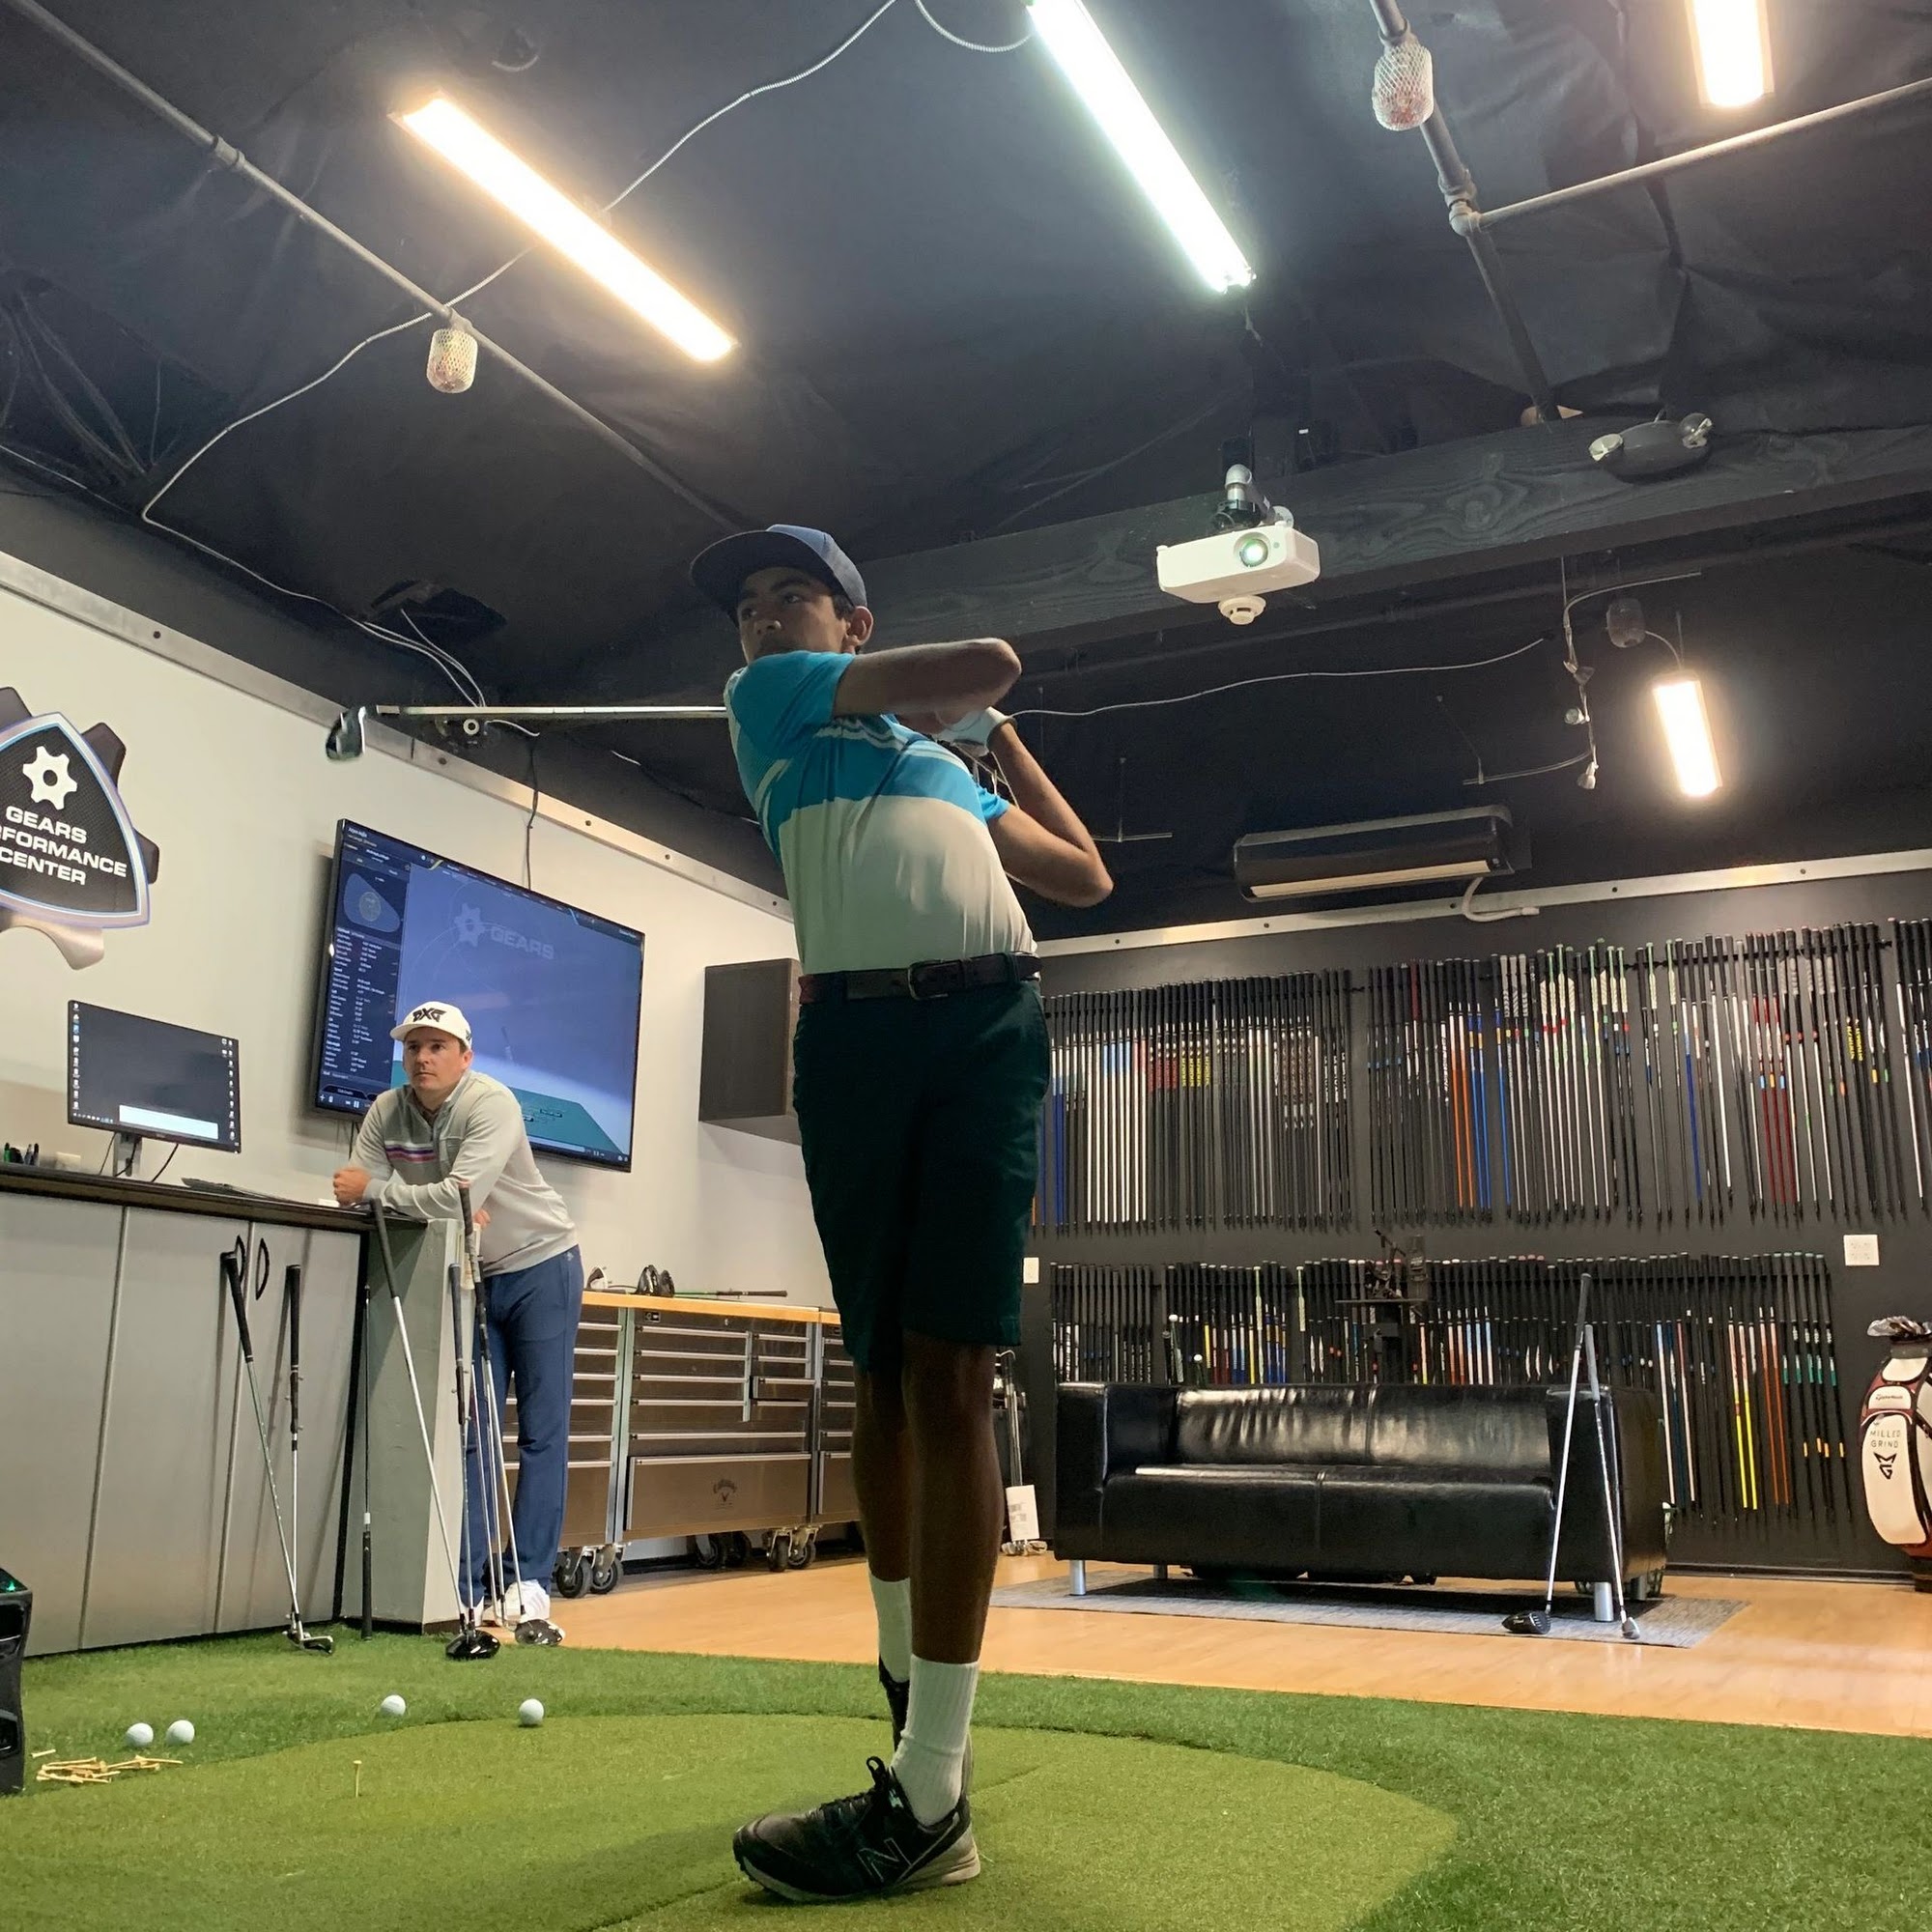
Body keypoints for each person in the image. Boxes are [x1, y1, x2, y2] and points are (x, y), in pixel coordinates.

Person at [689, 524, 1112, 1902]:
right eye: (749, 605)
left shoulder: (938, 768)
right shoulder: (769, 704)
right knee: (880, 1371)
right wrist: (977, 702)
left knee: (954, 1375)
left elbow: (1082, 874)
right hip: (856, 1039)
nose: (763, 619)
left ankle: (930, 1795)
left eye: (793, 597)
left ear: (855, 624)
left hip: (988, 1026)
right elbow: (988, 657)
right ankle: (906, 1690)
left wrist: (999, 749)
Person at [332, 999, 583, 1632]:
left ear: (465, 1056)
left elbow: (433, 1195)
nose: (423, 1057)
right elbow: (353, 1197)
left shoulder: (490, 1103)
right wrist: (429, 1202)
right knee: (472, 1431)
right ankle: (470, 1585)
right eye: (413, 1046)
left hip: (541, 1264)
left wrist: (395, 1194)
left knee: (541, 1432)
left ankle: (529, 1580)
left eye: (437, 1046)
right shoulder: (386, 1111)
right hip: (473, 1276)